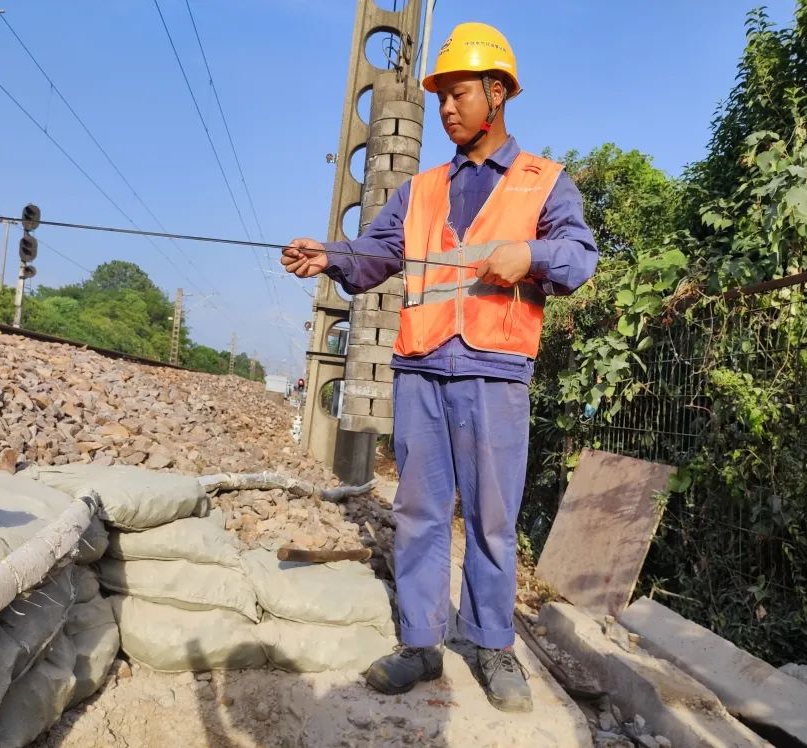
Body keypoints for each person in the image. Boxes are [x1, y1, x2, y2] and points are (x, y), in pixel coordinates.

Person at [281, 21, 598, 712]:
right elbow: (377, 254)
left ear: (496, 92)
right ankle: (421, 642)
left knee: (490, 516)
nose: (447, 109)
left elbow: (579, 258)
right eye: (442, 98)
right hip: (421, 367)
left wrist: (532, 257)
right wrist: (329, 256)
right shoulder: (420, 190)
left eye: (458, 94)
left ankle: (491, 644)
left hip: (494, 370)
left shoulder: (544, 183)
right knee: (421, 510)